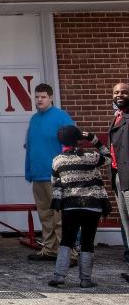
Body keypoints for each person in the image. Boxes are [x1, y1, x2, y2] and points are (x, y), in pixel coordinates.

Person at [48, 125, 111, 288]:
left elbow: (56, 185)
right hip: (92, 206)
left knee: (67, 241)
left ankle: (59, 276)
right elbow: (109, 156)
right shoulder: (92, 157)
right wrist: (93, 139)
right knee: (87, 242)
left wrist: (58, 205)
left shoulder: (57, 160)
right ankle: (85, 280)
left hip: (70, 207)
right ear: (78, 140)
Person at [25, 83, 74, 261]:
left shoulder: (61, 117)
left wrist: (65, 171)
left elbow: (71, 143)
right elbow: (30, 146)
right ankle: (50, 249)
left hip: (57, 175)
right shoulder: (34, 119)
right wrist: (28, 170)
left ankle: (68, 253)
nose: (39, 100)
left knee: (60, 216)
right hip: (38, 176)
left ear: (51, 98)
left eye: (43, 96)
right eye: (37, 96)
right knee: (45, 215)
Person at [110, 82, 129, 282]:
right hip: (118, 175)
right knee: (126, 222)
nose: (119, 95)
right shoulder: (117, 117)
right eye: (116, 92)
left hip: (128, 175)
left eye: (123, 92)